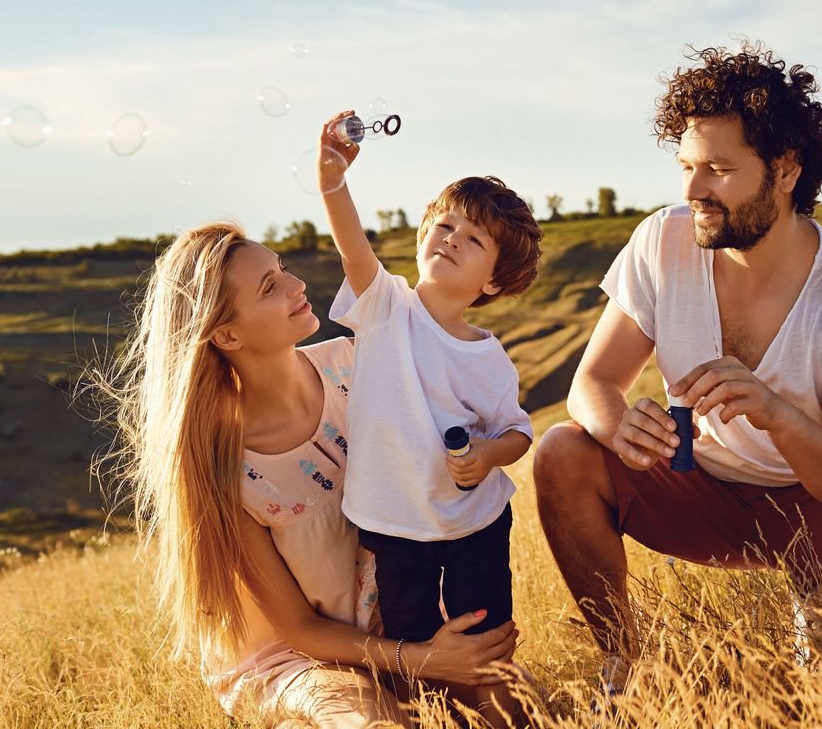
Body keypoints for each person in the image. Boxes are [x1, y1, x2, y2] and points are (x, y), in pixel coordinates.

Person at [533, 43, 822, 692]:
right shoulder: (664, 241)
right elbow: (593, 385)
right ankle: (624, 665)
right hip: (702, 483)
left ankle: (816, 610)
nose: (693, 192)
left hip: (821, 498)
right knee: (562, 453)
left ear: (785, 171)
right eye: (687, 166)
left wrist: (777, 415)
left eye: (718, 168)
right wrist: (616, 426)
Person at [95, 221, 518, 728]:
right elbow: (299, 629)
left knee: (510, 709)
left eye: (283, 270)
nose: (296, 286)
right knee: (373, 723)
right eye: (269, 287)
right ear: (227, 334)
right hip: (301, 659)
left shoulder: (358, 365)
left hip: (402, 625)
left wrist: (435, 648)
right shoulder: (224, 471)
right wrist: (422, 660)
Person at [317, 111, 544, 727]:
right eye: (444, 225)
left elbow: (516, 431)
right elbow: (351, 243)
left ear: (494, 279)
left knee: (487, 646)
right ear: (422, 234)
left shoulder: (488, 355)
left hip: (475, 524)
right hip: (395, 524)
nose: (451, 238)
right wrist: (333, 180)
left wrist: (488, 458)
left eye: (473, 239)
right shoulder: (385, 306)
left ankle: (502, 718)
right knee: (416, 653)